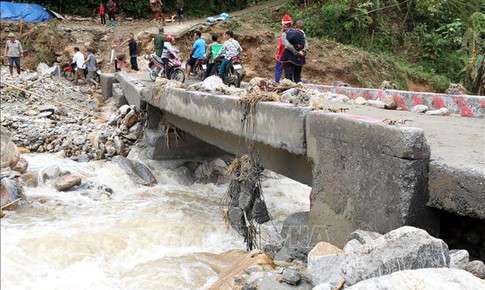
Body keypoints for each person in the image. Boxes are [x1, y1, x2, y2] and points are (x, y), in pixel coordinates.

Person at [275, 14, 293, 83]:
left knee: (278, 70)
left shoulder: (281, 38)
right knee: (287, 71)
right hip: (288, 58)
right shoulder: (291, 36)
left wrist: (276, 54)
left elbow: (278, 47)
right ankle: (288, 82)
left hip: (280, 58)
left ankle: (277, 82)